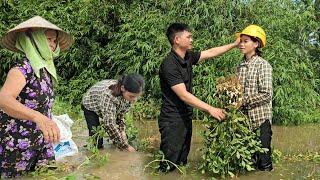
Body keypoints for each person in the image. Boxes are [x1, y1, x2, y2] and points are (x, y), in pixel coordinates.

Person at [158, 23, 239, 171]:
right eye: (188, 37)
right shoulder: (169, 64)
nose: (191, 40)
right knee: (168, 166)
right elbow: (183, 95)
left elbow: (211, 52)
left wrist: (234, 44)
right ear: (177, 39)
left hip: (185, 117)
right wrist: (210, 109)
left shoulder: (188, 56)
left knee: (181, 162)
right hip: (172, 120)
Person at [0, 16, 74, 177]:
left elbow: (41, 105)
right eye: (48, 39)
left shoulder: (44, 70)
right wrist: (38, 118)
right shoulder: (22, 69)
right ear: (34, 41)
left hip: (41, 141)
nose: (53, 45)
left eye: (54, 41)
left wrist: (51, 122)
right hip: (18, 143)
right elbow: (4, 99)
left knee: (49, 176)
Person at [236, 25, 273, 171]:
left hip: (260, 120)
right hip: (243, 121)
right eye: (241, 41)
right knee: (248, 160)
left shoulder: (263, 66)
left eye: (245, 41)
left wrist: (243, 101)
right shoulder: (240, 66)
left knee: (263, 162)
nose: (241, 44)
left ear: (256, 44)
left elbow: (266, 94)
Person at [81, 74, 144, 152]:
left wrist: (122, 131)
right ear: (122, 88)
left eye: (137, 96)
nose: (134, 100)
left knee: (123, 136)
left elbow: (121, 115)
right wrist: (125, 146)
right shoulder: (109, 95)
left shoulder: (129, 97)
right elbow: (109, 124)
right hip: (91, 104)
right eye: (132, 96)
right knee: (97, 142)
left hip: (105, 102)